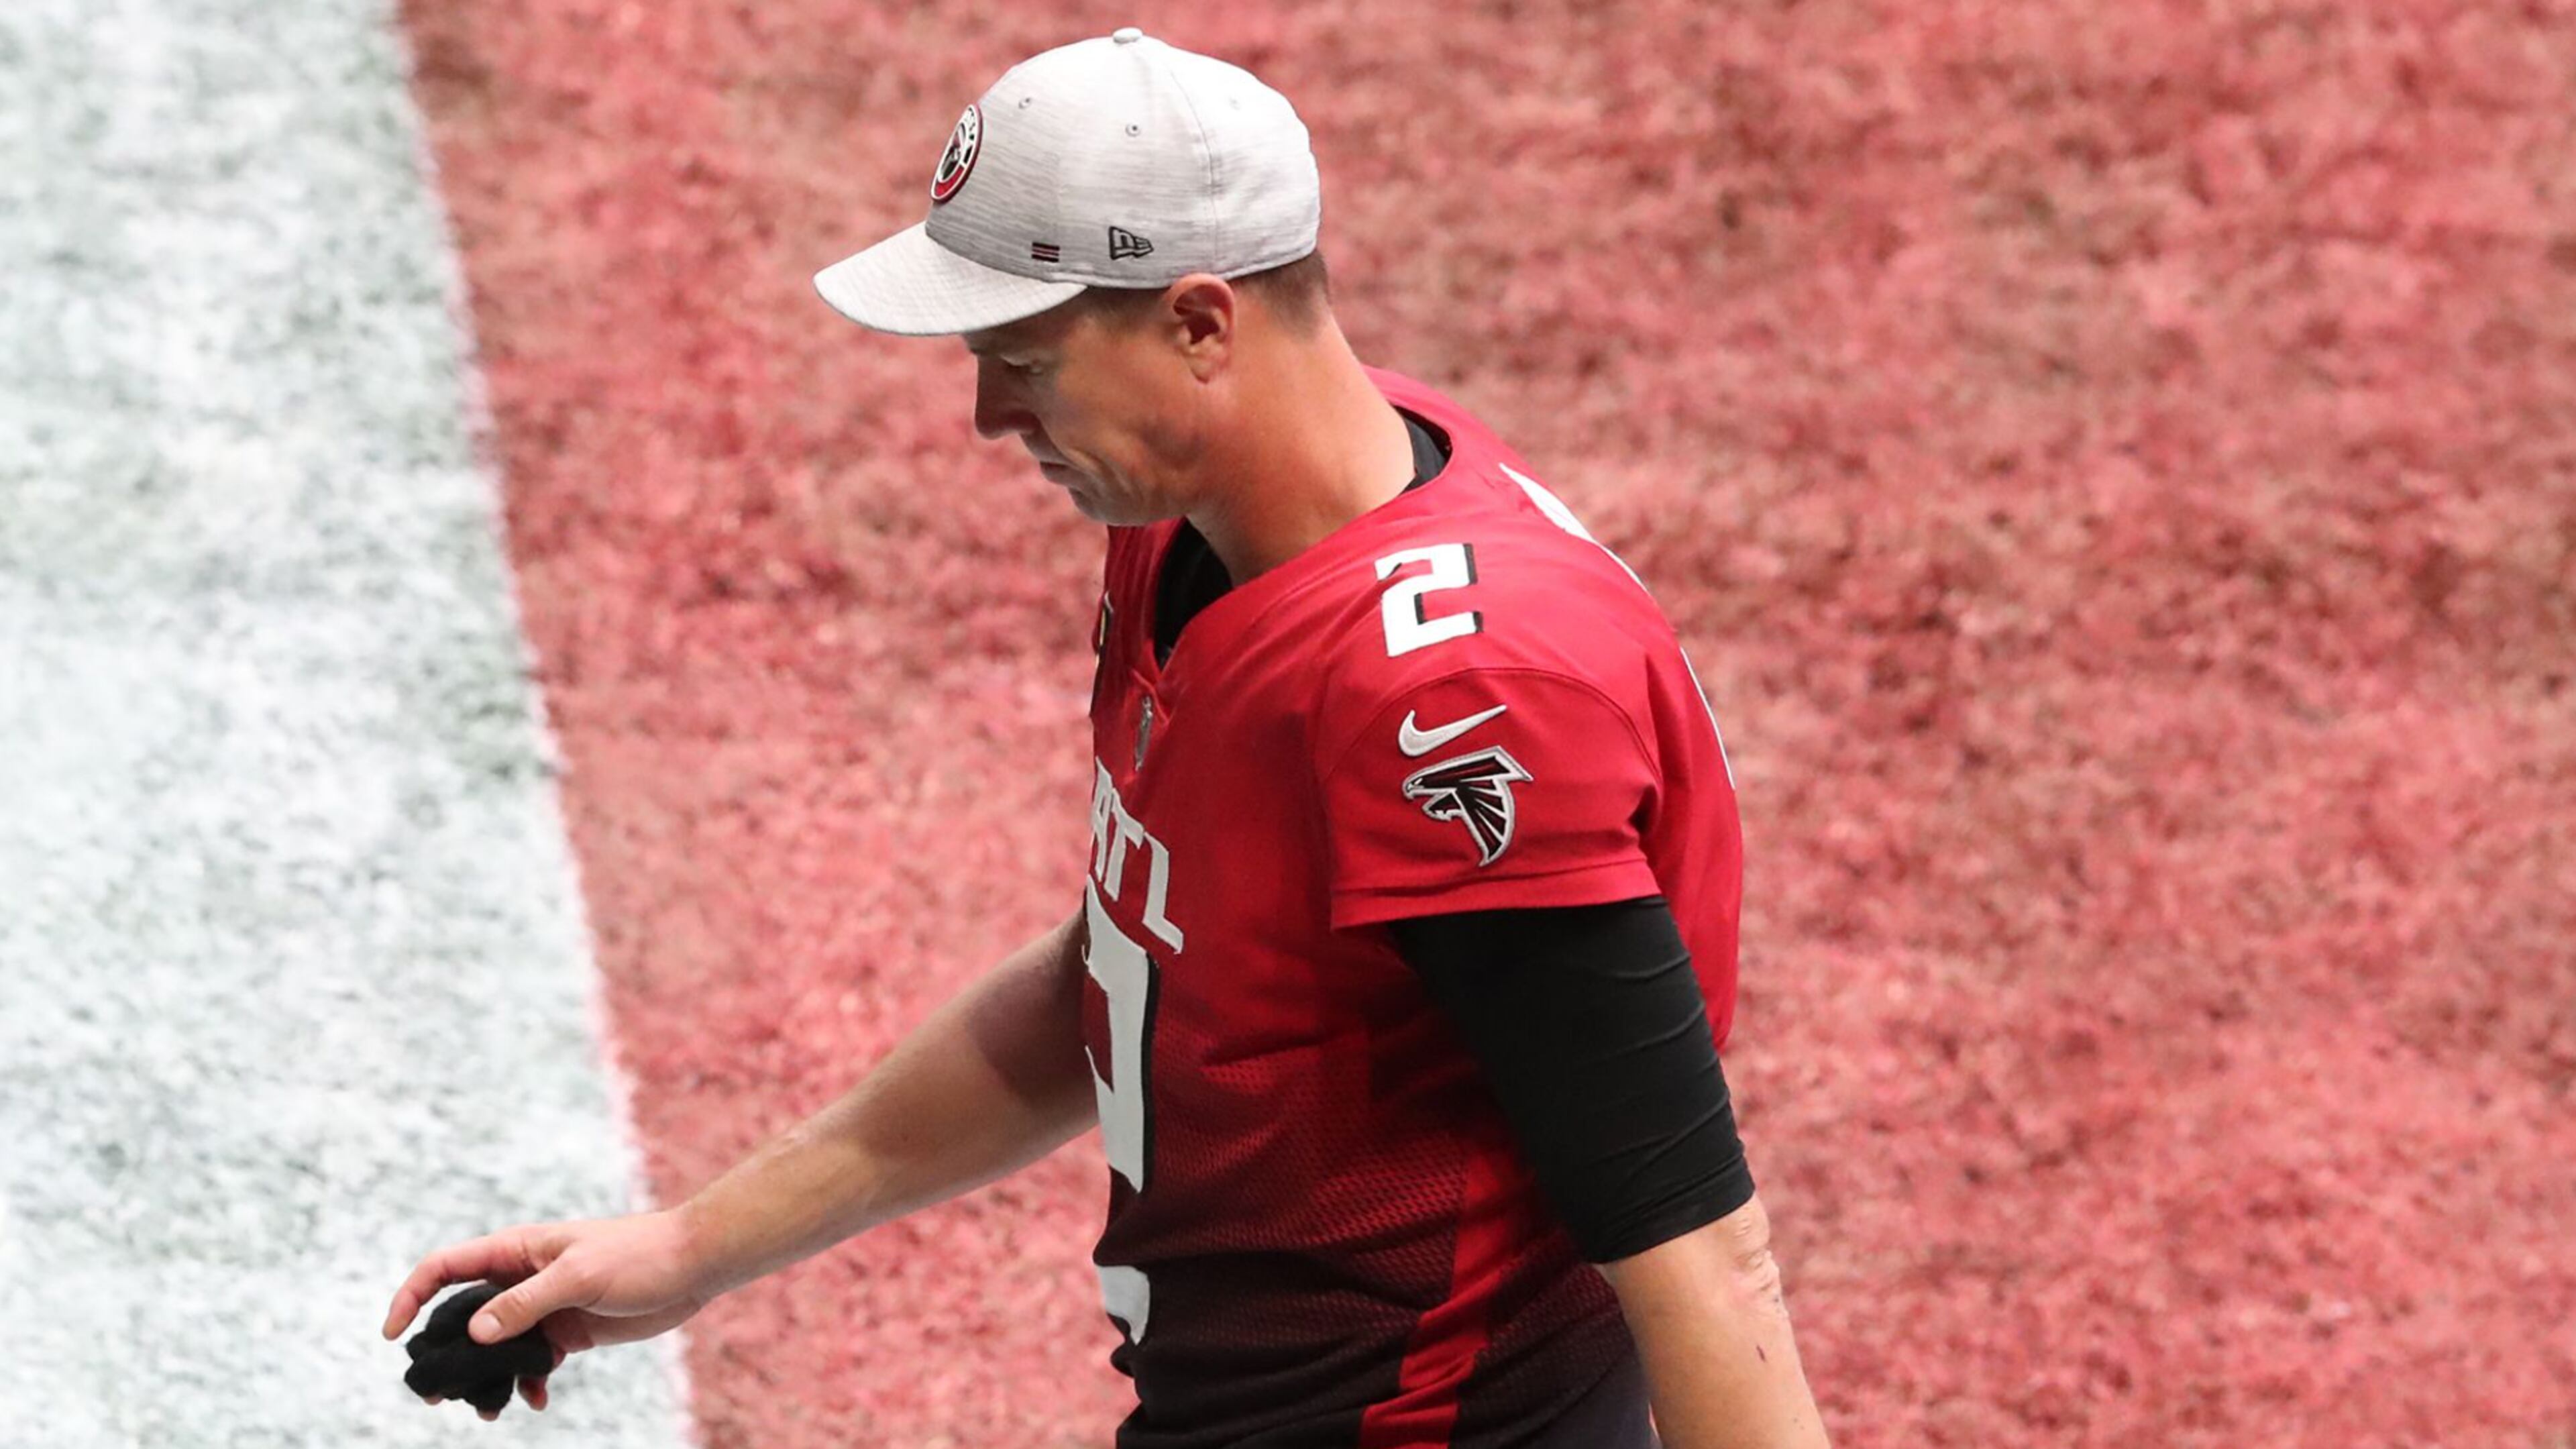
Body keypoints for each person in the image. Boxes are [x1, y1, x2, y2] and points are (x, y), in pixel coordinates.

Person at [384, 28, 1829, 1449]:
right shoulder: (1209, 527)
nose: (986, 413)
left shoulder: (1454, 696)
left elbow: (1700, 1257)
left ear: (1200, 325)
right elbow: (1134, 969)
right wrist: (695, 1245)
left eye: (1026, 358)